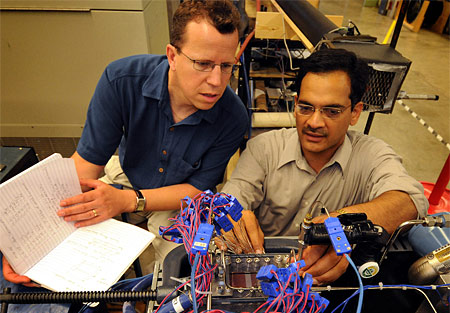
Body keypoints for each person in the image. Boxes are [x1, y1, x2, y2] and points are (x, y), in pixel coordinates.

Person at [3, 0, 249, 285]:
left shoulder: (233, 118)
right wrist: (33, 241)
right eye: (203, 64)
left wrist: (129, 201)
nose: (217, 81)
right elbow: (84, 167)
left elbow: (195, 189)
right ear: (172, 55)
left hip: (178, 200)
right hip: (125, 173)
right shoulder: (121, 80)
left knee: (180, 275)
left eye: (226, 65)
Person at [220, 48, 428, 285]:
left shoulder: (372, 155)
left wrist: (341, 224)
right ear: (295, 103)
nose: (314, 122)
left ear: (355, 113)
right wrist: (232, 219)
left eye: (331, 111)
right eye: (306, 108)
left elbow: (411, 202)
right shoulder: (264, 150)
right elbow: (227, 202)